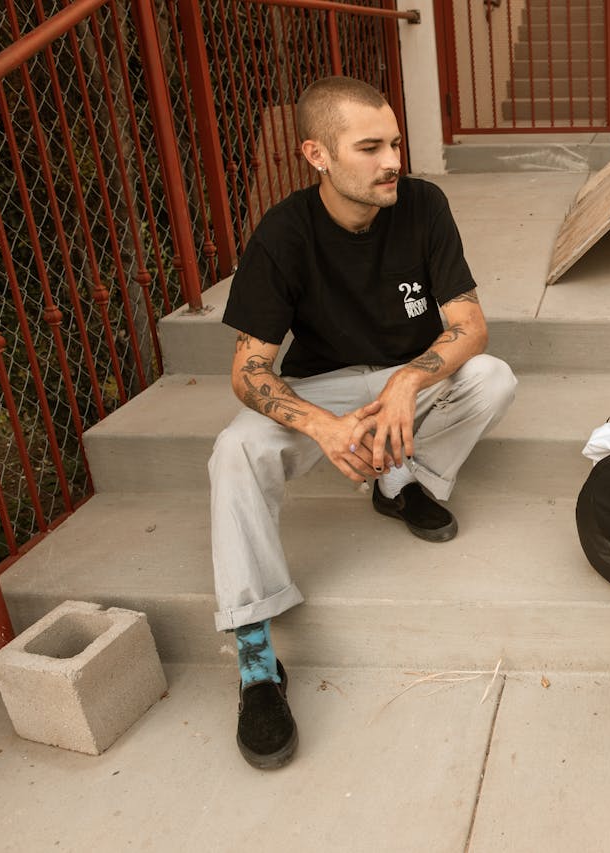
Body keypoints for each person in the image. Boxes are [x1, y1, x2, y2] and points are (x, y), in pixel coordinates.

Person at [208, 77, 516, 769]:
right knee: (235, 450)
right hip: (325, 387)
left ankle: (398, 482)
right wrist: (322, 426)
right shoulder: (284, 232)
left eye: (396, 142)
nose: (392, 160)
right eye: (371, 147)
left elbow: (469, 327)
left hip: (403, 380)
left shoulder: (424, 205)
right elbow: (249, 371)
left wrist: (410, 379)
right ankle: (256, 658)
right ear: (317, 154)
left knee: (493, 379)